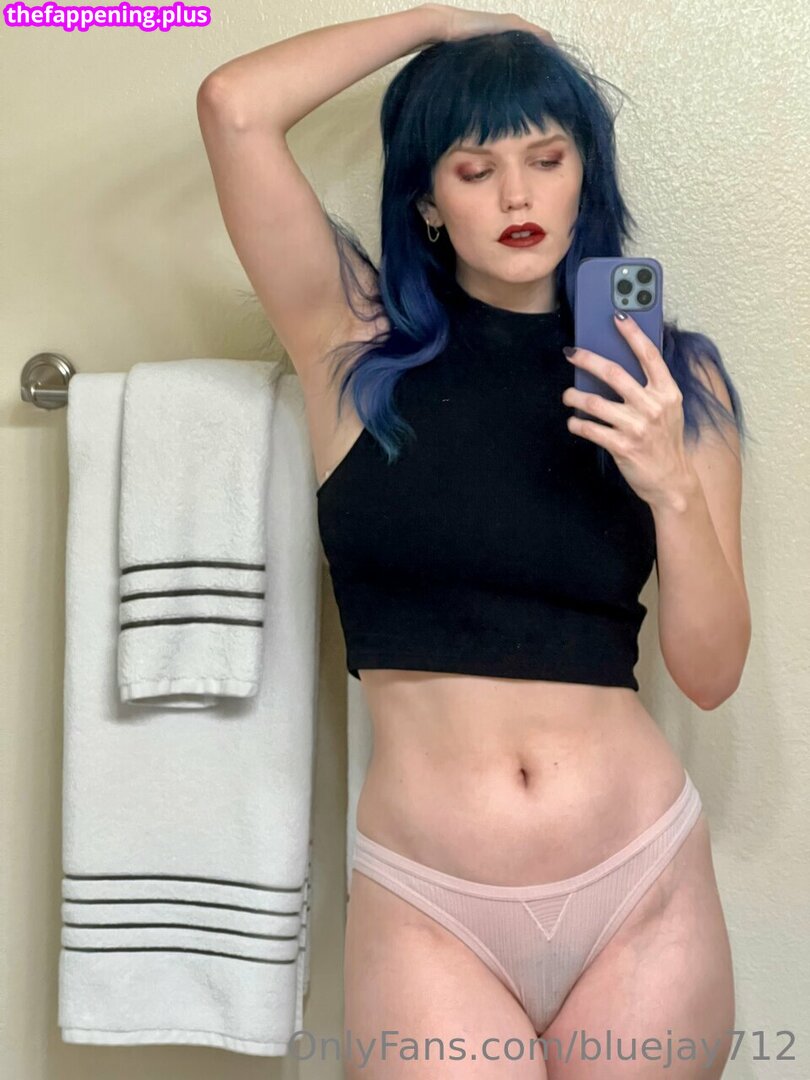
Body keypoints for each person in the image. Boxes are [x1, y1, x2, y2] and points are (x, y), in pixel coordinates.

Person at [197, 6, 751, 1076]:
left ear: (586, 176)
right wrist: (443, 22)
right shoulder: (353, 347)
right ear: (427, 200)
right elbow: (233, 108)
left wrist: (672, 488)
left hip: (639, 881)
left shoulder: (672, 380)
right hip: (431, 903)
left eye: (547, 159)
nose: (516, 197)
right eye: (473, 167)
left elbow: (712, 673)